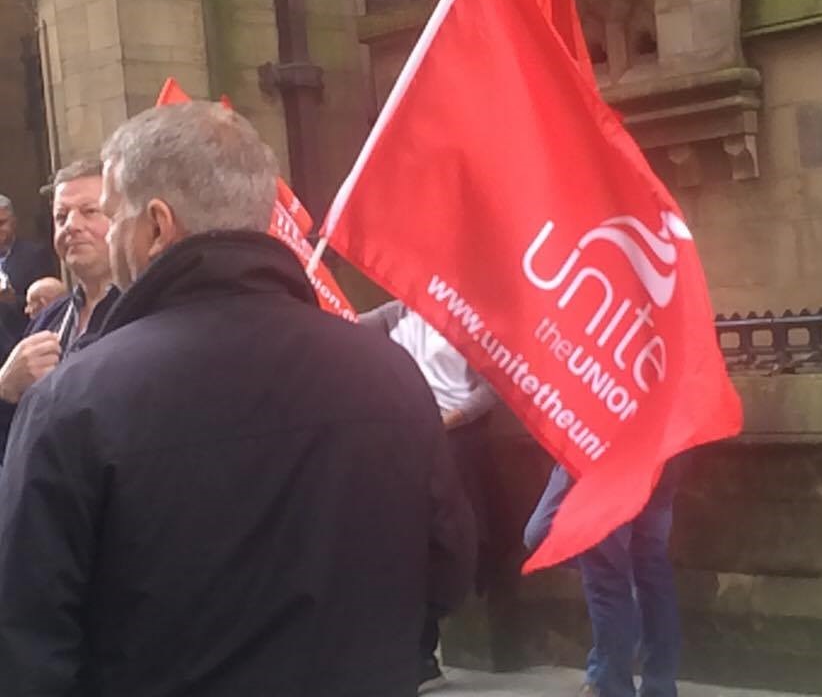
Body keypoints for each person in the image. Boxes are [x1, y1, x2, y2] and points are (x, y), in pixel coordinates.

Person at [0, 101, 476, 697]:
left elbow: (26, 635)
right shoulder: (389, 372)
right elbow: (449, 573)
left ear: (156, 226)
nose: (110, 233)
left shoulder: (73, 402)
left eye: (113, 215)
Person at [361, 300, 497, 693]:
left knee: (444, 540)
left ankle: (425, 651)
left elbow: (493, 389)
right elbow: (349, 325)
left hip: (455, 444)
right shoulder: (398, 312)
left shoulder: (475, 320)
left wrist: (447, 421)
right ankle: (414, 652)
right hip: (406, 438)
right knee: (405, 544)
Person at [524, 452, 691, 697]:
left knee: (610, 582)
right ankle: (659, 687)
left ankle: (612, 686)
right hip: (659, 458)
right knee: (651, 576)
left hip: (601, 460)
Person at [0, 159, 121, 458]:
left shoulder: (149, 312)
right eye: (61, 216)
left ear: (123, 219)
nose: (72, 226)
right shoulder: (48, 320)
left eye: (90, 211)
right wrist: (5, 389)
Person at [0, 194, 57, 359]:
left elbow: (50, 305)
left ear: (14, 222)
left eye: (1, 223)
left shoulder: (35, 255)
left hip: (25, 344)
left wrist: (13, 300)